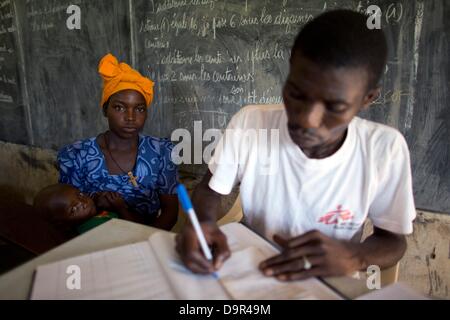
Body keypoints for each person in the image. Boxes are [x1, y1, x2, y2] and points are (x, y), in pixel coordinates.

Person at [176, 10, 416, 281]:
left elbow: (393, 240)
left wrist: (354, 256)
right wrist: (204, 223)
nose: (306, 120)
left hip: (327, 283)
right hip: (253, 271)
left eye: (334, 107)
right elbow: (210, 190)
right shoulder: (250, 123)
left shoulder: (384, 149)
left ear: (367, 99)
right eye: (296, 94)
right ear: (290, 68)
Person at [58, 54, 178, 231]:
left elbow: (170, 213)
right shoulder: (76, 155)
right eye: (119, 107)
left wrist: (147, 244)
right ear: (105, 110)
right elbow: (66, 217)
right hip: (93, 242)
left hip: (147, 239)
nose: (130, 117)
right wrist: (95, 204)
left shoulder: (161, 152)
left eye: (139, 109)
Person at [33, 184, 117, 235]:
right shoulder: (95, 227)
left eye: (80, 195)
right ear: (63, 224)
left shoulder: (89, 221)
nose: (84, 203)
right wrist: (120, 208)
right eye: (73, 209)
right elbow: (129, 229)